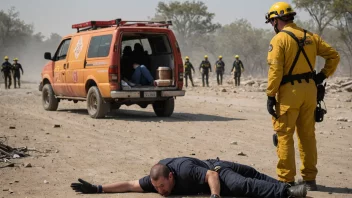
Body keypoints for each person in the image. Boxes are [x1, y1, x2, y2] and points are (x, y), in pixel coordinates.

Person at [265, 2, 340, 191]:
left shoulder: (279, 40)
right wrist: (322, 75)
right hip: (310, 91)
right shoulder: (310, 37)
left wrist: (270, 95)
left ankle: (286, 180)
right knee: (307, 136)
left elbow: (275, 70)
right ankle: (309, 179)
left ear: (275, 20)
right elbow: (333, 56)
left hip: (289, 93)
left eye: (272, 21)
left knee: (284, 136)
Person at [71, 157, 307, 197]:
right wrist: (99, 188)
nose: (161, 191)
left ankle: (286, 191)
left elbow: (212, 175)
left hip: (218, 169)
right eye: (157, 188)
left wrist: (215, 196)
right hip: (215, 167)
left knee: (244, 182)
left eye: (163, 187)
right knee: (251, 179)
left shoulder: (183, 169)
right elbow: (130, 184)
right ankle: (289, 188)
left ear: (171, 177)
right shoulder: (155, 180)